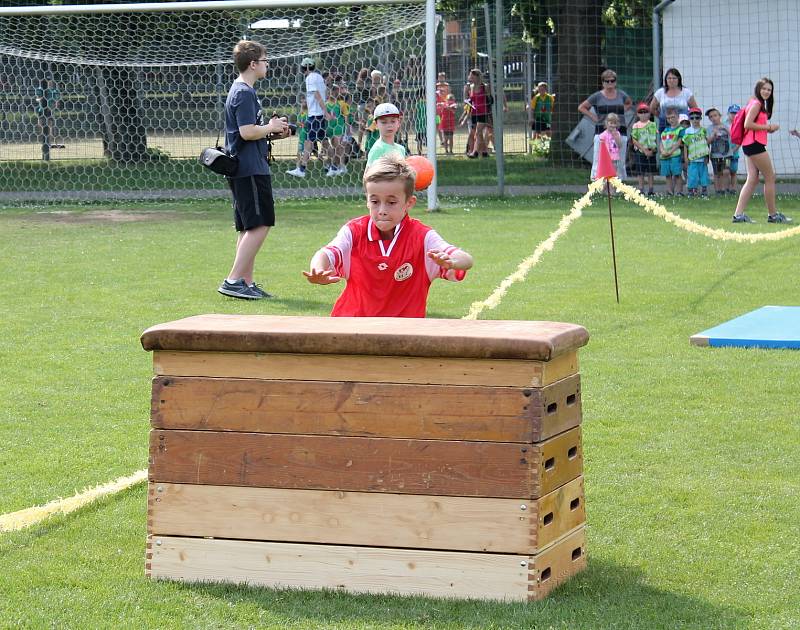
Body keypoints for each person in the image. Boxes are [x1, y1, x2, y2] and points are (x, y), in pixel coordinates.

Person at [303, 155, 473, 317]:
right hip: (350, 329)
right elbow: (326, 253)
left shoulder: (423, 237)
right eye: (375, 202)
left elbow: (465, 260)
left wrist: (452, 262)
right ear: (367, 200)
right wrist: (318, 269)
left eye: (391, 202)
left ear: (409, 203)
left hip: (401, 337)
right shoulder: (354, 232)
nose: (382, 210)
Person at [218, 40, 289, 300]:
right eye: (265, 59)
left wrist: (274, 131)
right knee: (260, 223)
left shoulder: (243, 91)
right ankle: (233, 279)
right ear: (253, 64)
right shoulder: (244, 92)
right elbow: (247, 132)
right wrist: (270, 127)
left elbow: (250, 132)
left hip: (247, 167)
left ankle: (245, 282)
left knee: (249, 226)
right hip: (250, 169)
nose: (267, 63)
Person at [732, 78, 792, 224]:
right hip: (754, 145)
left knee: (752, 179)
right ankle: (773, 215)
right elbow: (748, 124)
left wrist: (766, 130)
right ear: (758, 89)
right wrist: (768, 127)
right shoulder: (757, 104)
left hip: (750, 144)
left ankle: (738, 215)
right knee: (770, 177)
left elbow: (753, 125)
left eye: (769, 90)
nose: (766, 91)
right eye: (764, 88)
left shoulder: (755, 103)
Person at [578, 69, 632, 179]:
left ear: (615, 82)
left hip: (620, 130)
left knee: (619, 159)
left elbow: (629, 103)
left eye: (612, 81)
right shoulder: (597, 96)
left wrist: (620, 113)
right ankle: (597, 182)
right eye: (607, 81)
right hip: (602, 132)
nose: (610, 84)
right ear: (602, 82)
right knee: (599, 158)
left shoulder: (621, 94)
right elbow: (582, 107)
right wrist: (594, 117)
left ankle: (619, 184)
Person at [287, 57, 332, 178]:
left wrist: (326, 111)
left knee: (308, 141)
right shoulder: (319, 77)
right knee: (324, 142)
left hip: (315, 115)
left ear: (306, 67)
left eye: (302, 68)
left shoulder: (310, 78)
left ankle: (301, 169)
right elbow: (325, 93)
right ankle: (334, 166)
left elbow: (317, 95)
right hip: (319, 115)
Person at [649, 68, 699, 133]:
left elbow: (694, 109)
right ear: (666, 80)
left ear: (679, 79)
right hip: (665, 124)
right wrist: (662, 116)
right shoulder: (660, 92)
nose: (671, 80)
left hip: (683, 125)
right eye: (669, 78)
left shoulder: (686, 92)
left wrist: (689, 119)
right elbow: (652, 108)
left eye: (674, 78)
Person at [630, 102, 658, 196]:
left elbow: (655, 137)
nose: (643, 114)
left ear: (649, 113)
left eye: (645, 112)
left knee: (651, 172)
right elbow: (634, 140)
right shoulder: (636, 125)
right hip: (640, 151)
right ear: (638, 114)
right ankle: (641, 189)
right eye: (641, 112)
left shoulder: (653, 124)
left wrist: (652, 150)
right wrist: (644, 150)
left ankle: (651, 189)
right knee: (640, 172)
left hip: (651, 151)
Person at [682, 107, 710, 197]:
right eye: (692, 118)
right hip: (692, 158)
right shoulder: (687, 131)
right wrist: (686, 157)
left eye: (697, 118)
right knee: (692, 176)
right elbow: (686, 145)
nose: (695, 120)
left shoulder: (703, 130)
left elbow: (707, 144)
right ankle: (691, 191)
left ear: (700, 118)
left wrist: (707, 157)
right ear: (689, 119)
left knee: (703, 176)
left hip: (702, 158)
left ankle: (704, 191)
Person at [705, 108, 731, 195]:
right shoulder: (709, 128)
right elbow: (708, 142)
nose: (713, 118)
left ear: (720, 116)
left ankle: (725, 189)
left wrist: (725, 129)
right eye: (711, 117)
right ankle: (718, 190)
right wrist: (713, 134)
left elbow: (733, 136)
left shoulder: (726, 125)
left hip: (727, 154)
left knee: (726, 171)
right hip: (715, 155)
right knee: (717, 173)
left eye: (715, 115)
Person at [466, 68, 491, 158]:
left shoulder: (485, 86)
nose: (470, 77)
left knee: (477, 132)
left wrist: (489, 113)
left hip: (483, 113)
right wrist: (467, 111)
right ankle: (485, 152)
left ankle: (475, 152)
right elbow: (470, 101)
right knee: (479, 133)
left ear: (477, 77)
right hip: (474, 113)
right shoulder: (471, 87)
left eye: (472, 76)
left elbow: (490, 100)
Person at [658, 108, 684, 196]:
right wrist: (662, 151)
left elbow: (679, 142)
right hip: (664, 156)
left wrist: (671, 152)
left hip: (675, 155)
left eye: (673, 117)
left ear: (677, 117)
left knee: (677, 174)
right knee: (667, 175)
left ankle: (679, 191)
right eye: (668, 118)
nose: (671, 120)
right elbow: (661, 142)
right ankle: (669, 191)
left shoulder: (680, 129)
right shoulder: (665, 130)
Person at [34, 79, 64, 150]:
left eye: (50, 81)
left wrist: (54, 105)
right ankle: (45, 141)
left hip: (49, 110)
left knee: (49, 127)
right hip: (41, 110)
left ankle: (48, 143)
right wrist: (42, 99)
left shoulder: (54, 91)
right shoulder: (40, 89)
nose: (49, 83)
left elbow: (57, 102)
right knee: (40, 125)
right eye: (48, 81)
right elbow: (37, 99)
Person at [727, 105, 742, 195]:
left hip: (734, 152)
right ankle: (727, 188)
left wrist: (734, 149)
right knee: (726, 170)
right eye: (732, 113)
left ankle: (733, 188)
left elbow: (740, 140)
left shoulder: (740, 125)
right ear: (728, 114)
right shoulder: (724, 124)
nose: (734, 115)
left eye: (736, 113)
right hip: (725, 153)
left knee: (733, 171)